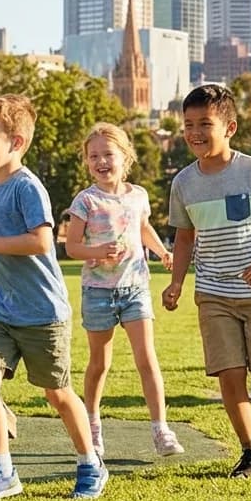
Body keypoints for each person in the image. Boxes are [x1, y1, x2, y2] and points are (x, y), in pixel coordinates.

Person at [0, 94, 107, 501]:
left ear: (17, 142)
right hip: (0, 309)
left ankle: (90, 462)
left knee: (57, 394)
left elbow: (41, 242)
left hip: (42, 312)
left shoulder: (27, 186)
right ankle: (2, 471)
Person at [161, 84, 251, 479]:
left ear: (229, 127)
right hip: (213, 292)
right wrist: (176, 282)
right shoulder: (183, 183)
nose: (194, 132)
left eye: (204, 124)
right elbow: (185, 235)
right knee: (229, 375)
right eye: (188, 124)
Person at [65, 122, 184, 460]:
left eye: (108, 154)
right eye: (93, 156)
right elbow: (72, 247)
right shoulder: (86, 200)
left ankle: (161, 429)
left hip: (135, 289)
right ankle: (92, 426)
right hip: (98, 292)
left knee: (147, 360)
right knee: (99, 364)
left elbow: (143, 228)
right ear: (87, 162)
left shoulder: (139, 196)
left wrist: (162, 252)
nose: (101, 161)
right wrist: (98, 253)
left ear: (125, 157)